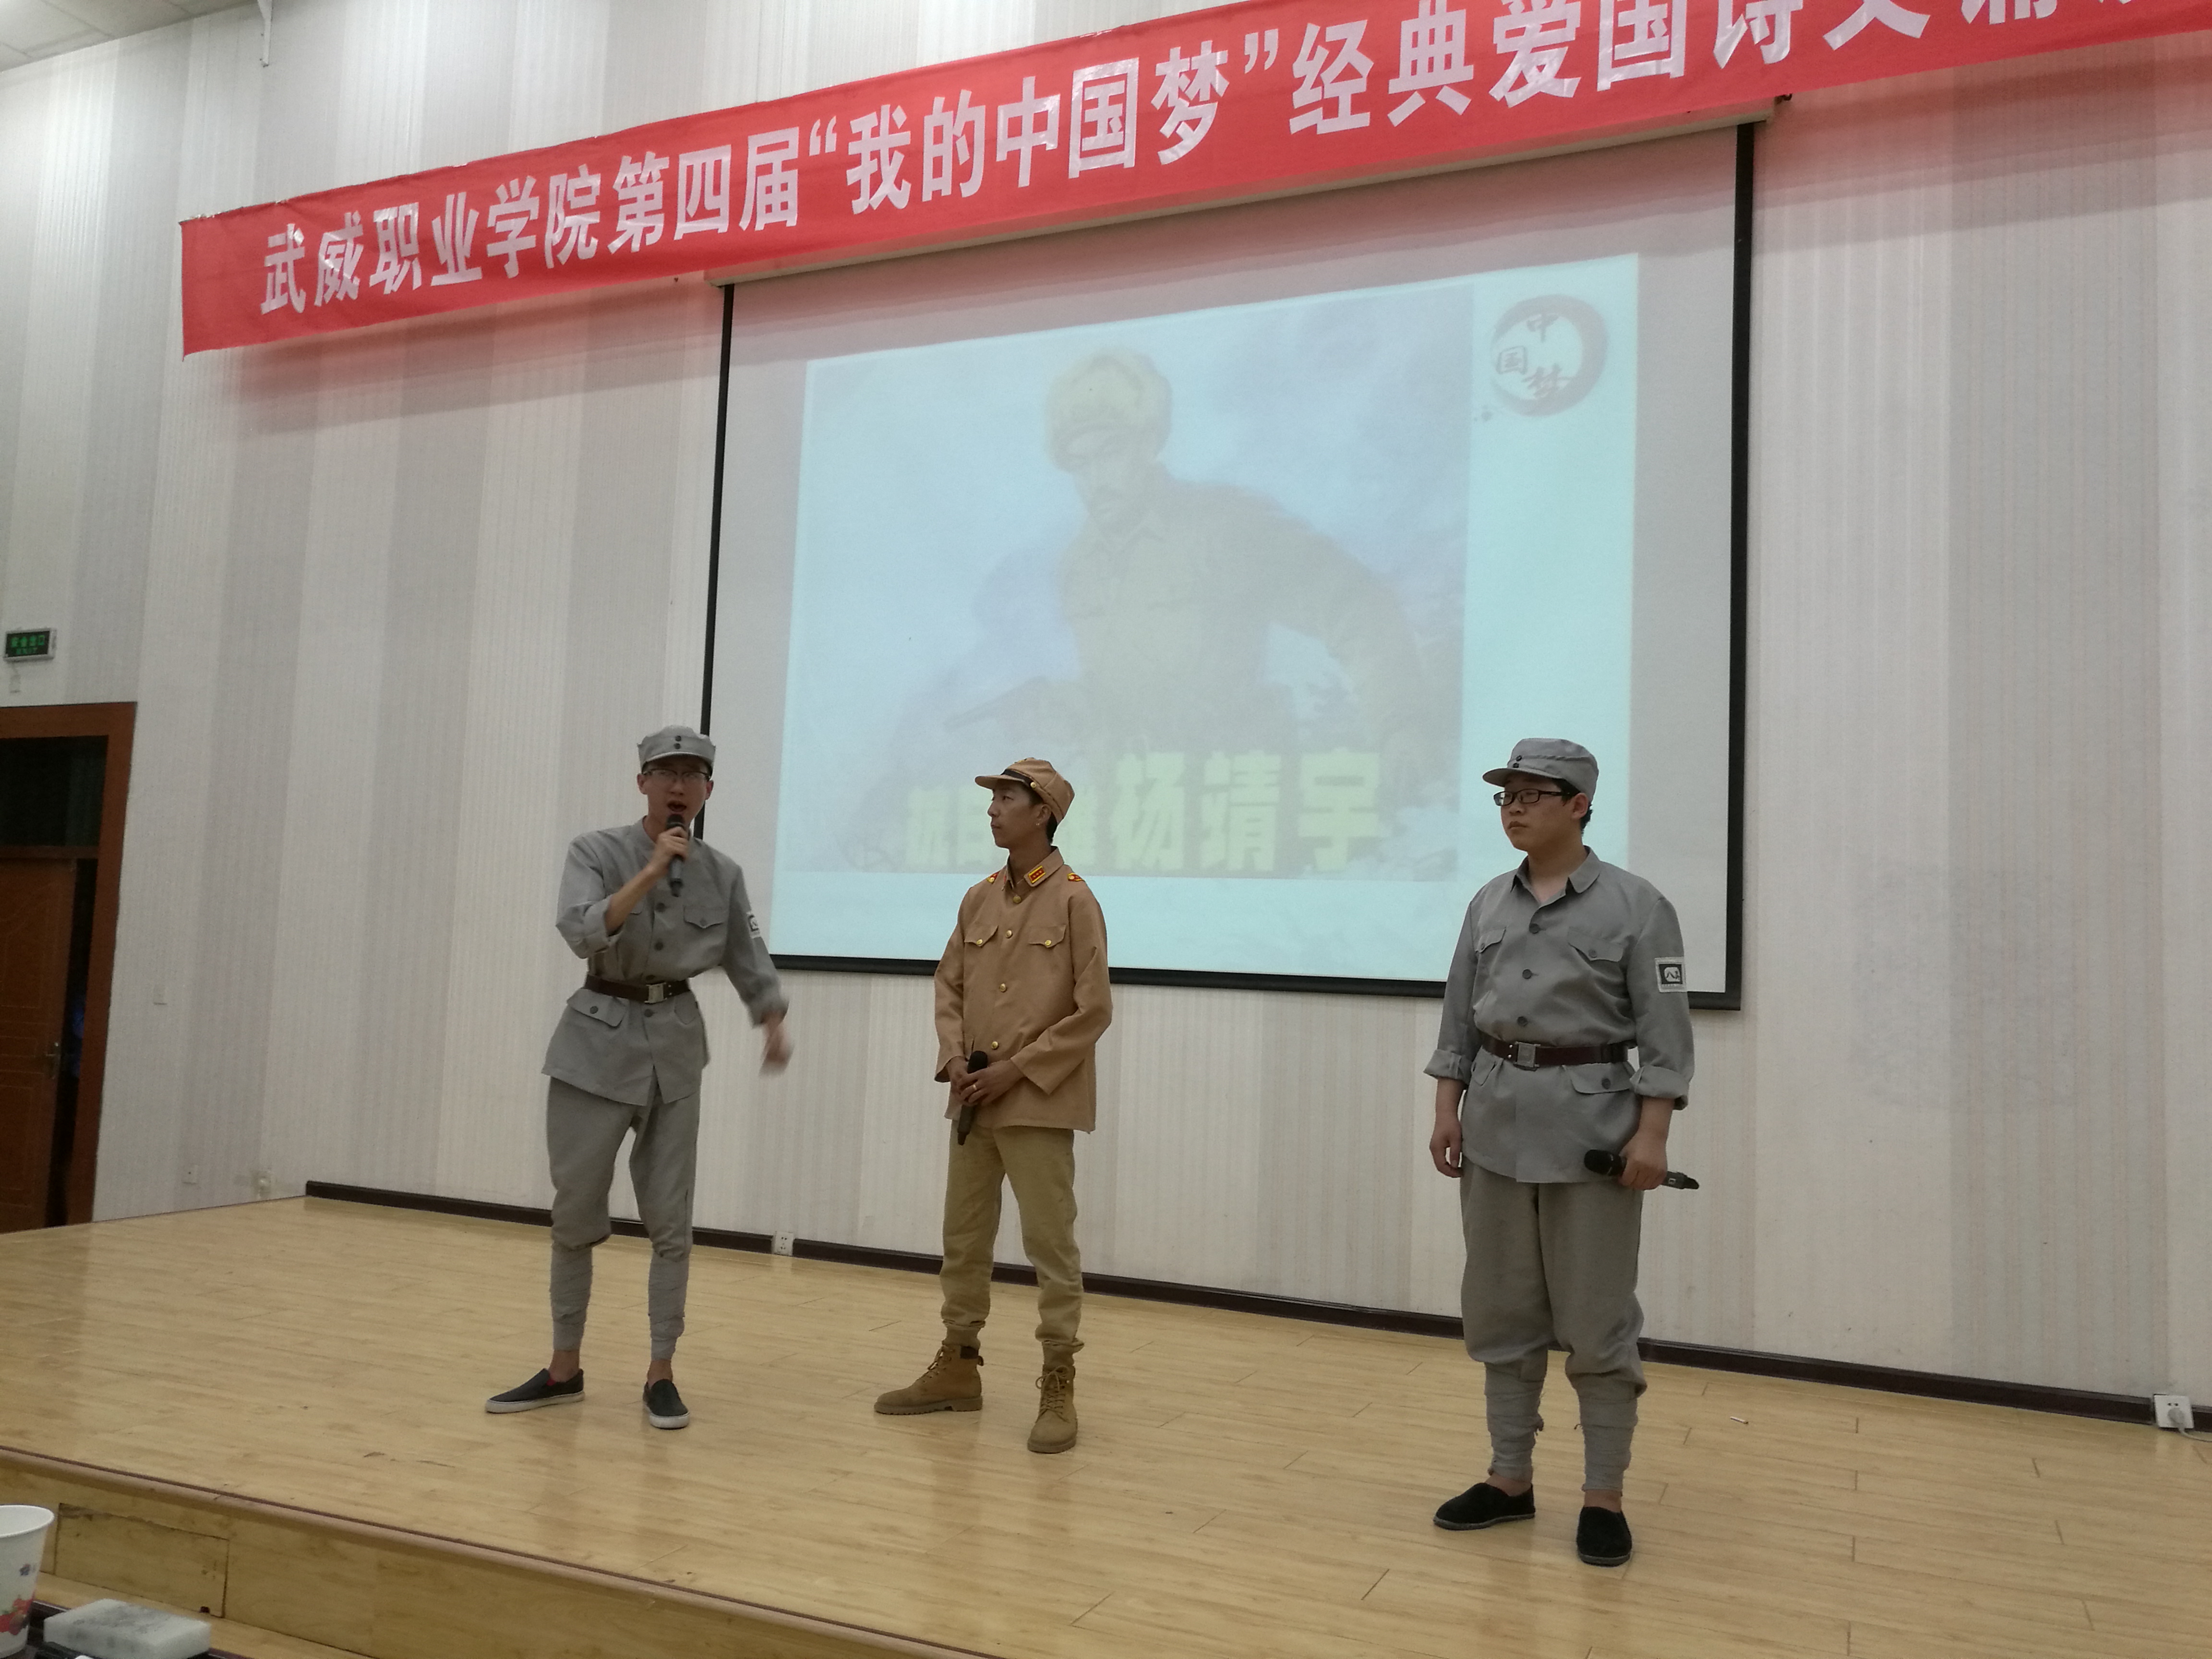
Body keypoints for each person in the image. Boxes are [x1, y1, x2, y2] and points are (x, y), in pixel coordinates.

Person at [1423, 738, 1693, 1567]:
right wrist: (1446, 1109)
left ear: (1579, 806)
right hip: (1494, 1128)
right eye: (1506, 796)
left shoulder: (1639, 906)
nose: (1513, 808)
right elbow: (1459, 1018)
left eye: (1533, 795)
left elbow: (1666, 1036)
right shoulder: (1487, 904)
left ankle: (1603, 1497)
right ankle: (1509, 1480)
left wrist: (1653, 1134)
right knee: (1501, 1314)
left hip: (1593, 1139)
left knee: (1597, 1323)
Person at [486, 725, 791, 1431]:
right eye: (665, 773)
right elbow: (582, 932)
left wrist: (772, 1020)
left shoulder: (723, 873)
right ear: (642, 784)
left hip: (675, 1051)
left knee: (672, 1220)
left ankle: (661, 1373)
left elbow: (748, 957)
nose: (678, 787)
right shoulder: (595, 852)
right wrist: (651, 871)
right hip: (594, 1047)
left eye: (692, 776)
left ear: (709, 790)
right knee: (575, 1213)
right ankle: (564, 1368)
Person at [874, 758, 1111, 1453]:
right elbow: (949, 985)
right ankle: (958, 1365)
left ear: (1043, 813)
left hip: (1038, 1102)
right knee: (964, 1239)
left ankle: (1059, 1378)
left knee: (1051, 1245)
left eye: (1007, 797)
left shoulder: (1076, 901)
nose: (993, 808)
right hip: (974, 1099)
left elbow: (1093, 1010)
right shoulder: (977, 898)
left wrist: (1020, 1069)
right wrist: (953, 1056)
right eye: (994, 797)